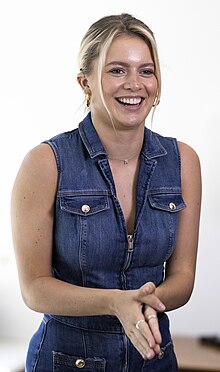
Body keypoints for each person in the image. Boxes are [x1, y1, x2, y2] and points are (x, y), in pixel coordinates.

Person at [11, 13, 201, 372]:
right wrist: (117, 302)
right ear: (85, 82)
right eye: (117, 70)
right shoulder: (46, 163)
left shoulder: (183, 161)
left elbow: (184, 277)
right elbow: (34, 288)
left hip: (155, 360)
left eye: (146, 70)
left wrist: (142, 302)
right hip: (67, 361)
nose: (135, 84)